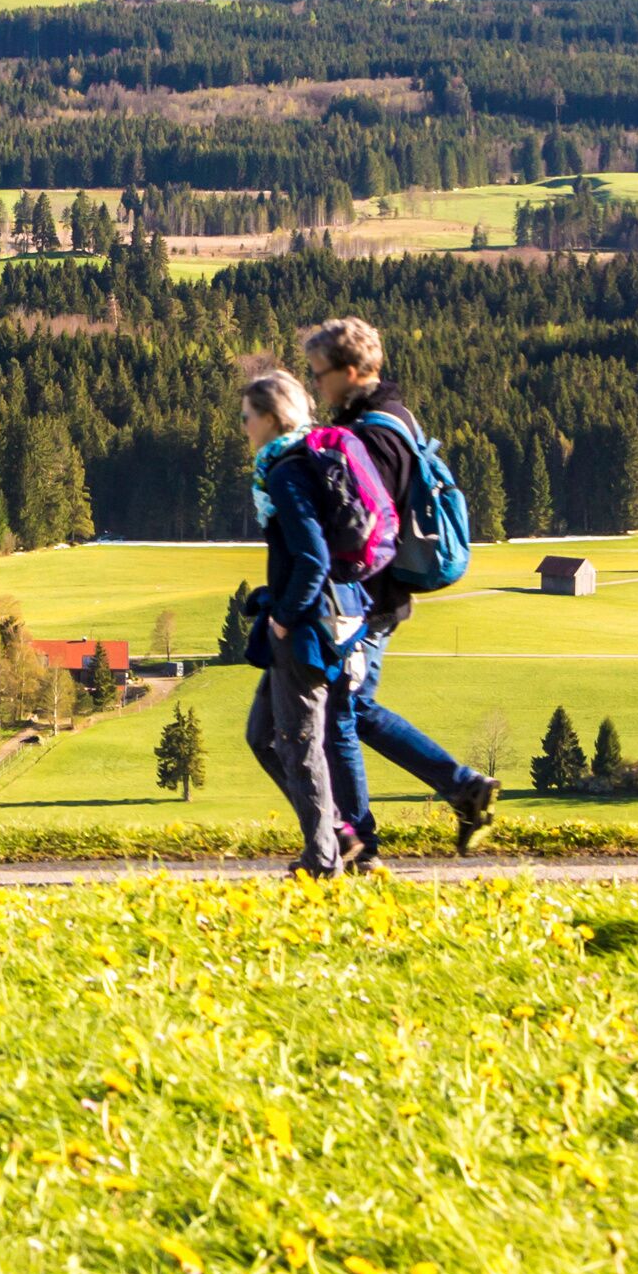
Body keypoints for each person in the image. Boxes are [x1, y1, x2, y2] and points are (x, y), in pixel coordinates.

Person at [302, 316, 501, 858]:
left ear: (348, 371)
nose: (315, 383)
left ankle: (359, 843)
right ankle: (462, 788)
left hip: (367, 599)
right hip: (382, 597)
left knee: (339, 712)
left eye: (319, 373)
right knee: (355, 708)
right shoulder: (397, 417)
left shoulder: (373, 433)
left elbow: (368, 526)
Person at [236, 368, 369, 877]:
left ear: (271, 418)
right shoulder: (299, 463)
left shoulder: (288, 473)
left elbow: (312, 557)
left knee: (298, 744)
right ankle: (334, 833)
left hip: (306, 630)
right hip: (314, 621)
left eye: (248, 416)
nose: (244, 426)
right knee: (263, 735)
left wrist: (285, 619)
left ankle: (322, 863)